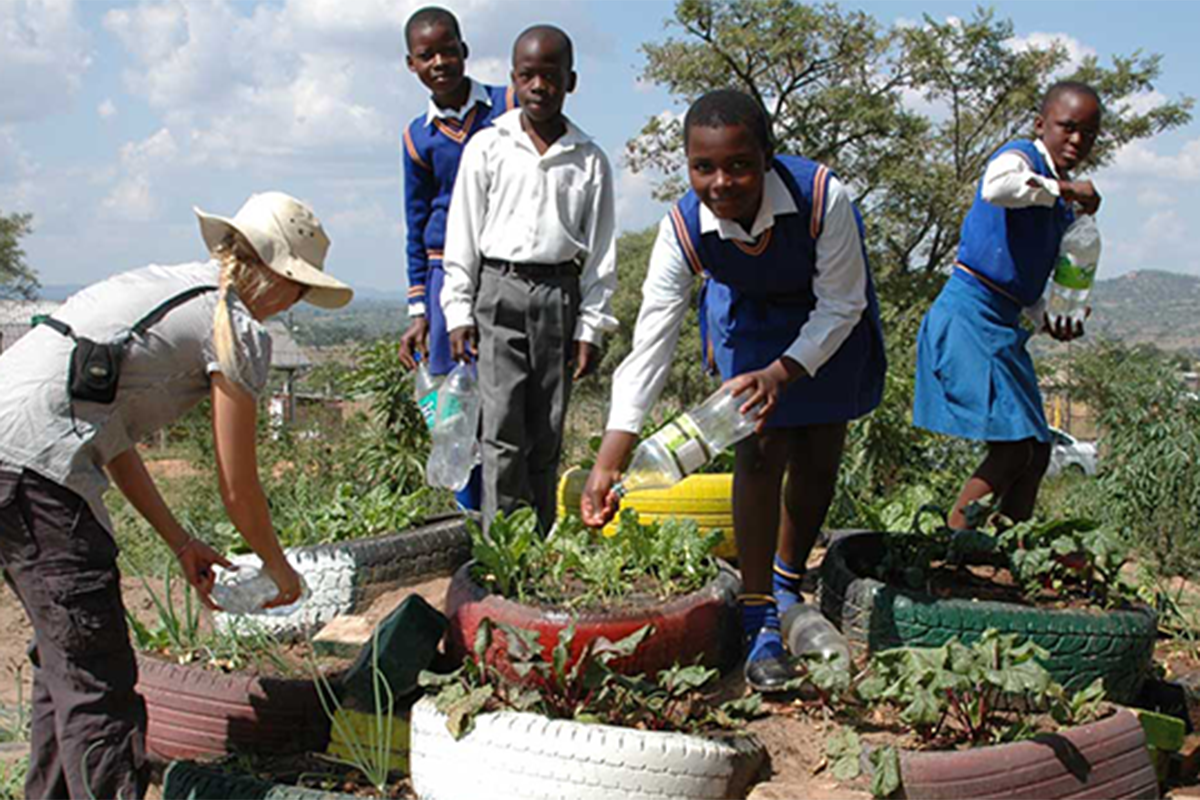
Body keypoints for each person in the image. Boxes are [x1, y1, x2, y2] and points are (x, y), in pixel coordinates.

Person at [0, 192, 353, 798]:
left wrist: (181, 541)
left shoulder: (171, 287)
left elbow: (110, 439)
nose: (294, 303)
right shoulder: (233, 325)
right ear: (277, 277)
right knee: (100, 686)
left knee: (66, 668)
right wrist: (279, 569)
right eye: (298, 289)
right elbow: (238, 486)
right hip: (38, 476)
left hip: (20, 463)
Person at [581, 89, 885, 692]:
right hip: (748, 317)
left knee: (820, 455)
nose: (721, 182)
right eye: (703, 167)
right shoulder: (682, 230)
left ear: (767, 157)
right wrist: (608, 460)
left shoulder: (824, 197)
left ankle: (787, 580)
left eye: (739, 164)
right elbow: (652, 343)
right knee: (760, 447)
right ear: (688, 165)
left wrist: (785, 371)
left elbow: (842, 302)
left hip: (829, 322)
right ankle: (759, 618)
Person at [440, 24, 617, 533]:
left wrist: (591, 327)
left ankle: (540, 539)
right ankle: (503, 546)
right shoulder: (489, 146)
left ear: (571, 81)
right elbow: (463, 234)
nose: (539, 85)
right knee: (501, 429)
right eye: (527, 75)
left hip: (560, 295)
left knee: (547, 427)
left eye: (551, 75)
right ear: (513, 80)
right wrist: (458, 311)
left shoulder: (589, 160)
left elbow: (601, 254)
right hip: (498, 291)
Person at [913, 81, 1103, 530]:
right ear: (1042, 124)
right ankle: (952, 546)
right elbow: (998, 188)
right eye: (1068, 127)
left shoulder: (1060, 208)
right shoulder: (1021, 157)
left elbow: (1028, 285)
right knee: (1012, 448)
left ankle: (1007, 554)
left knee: (1036, 451)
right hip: (969, 314)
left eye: (1088, 134)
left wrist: (1050, 319)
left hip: (1001, 322)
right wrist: (1069, 190)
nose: (1077, 141)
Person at [396, 6, 517, 511]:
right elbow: (416, 220)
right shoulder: (417, 137)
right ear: (412, 65)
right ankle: (471, 522)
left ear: (465, 51)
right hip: (448, 275)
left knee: (508, 398)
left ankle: (513, 512)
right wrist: (420, 310)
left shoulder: (507, 106)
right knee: (457, 411)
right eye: (428, 55)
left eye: (449, 50)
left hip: (505, 266)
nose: (441, 61)